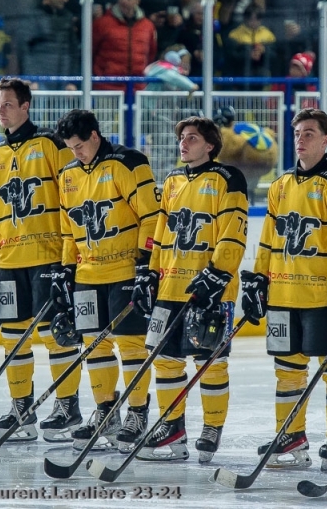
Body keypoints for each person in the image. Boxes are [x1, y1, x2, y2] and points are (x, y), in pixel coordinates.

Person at [242, 108, 327, 471]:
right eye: (297, 132)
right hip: (283, 295)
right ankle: (292, 434)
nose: (301, 138)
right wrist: (258, 278)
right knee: (288, 370)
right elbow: (268, 240)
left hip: (322, 297)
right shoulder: (280, 185)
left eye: (309, 133)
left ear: (326, 140)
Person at [133, 116, 248, 463]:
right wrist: (149, 272)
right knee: (165, 361)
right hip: (170, 285)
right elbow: (162, 231)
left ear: (210, 145)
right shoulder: (171, 180)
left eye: (193, 138)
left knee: (210, 362)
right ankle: (172, 427)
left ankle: (212, 428)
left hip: (211, 290)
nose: (184, 143)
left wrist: (217, 274)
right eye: (182, 137)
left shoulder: (228, 178)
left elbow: (234, 230)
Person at [0, 77, 83, 443]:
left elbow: (72, 198)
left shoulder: (52, 145)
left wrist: (68, 255)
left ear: (25, 106)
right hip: (10, 257)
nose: (0, 111)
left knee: (56, 335)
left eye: (7, 104)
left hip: (48, 257)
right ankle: (21, 407)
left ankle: (67, 406)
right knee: (13, 337)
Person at [54, 109, 161, 452]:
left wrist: (146, 263)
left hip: (125, 272)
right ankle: (106, 411)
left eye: (80, 145)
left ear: (95, 136)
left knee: (131, 344)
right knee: (93, 345)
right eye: (71, 148)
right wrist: (66, 269)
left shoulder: (129, 162)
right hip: (88, 273)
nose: (76, 153)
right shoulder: (68, 174)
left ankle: (137, 413)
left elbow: (151, 216)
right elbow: (68, 230)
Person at [92, 0, 157, 92]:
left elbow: (151, 53)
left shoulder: (148, 26)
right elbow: (91, 51)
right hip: (107, 86)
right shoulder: (102, 23)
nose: (124, 1)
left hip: (137, 87)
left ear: (137, 0)